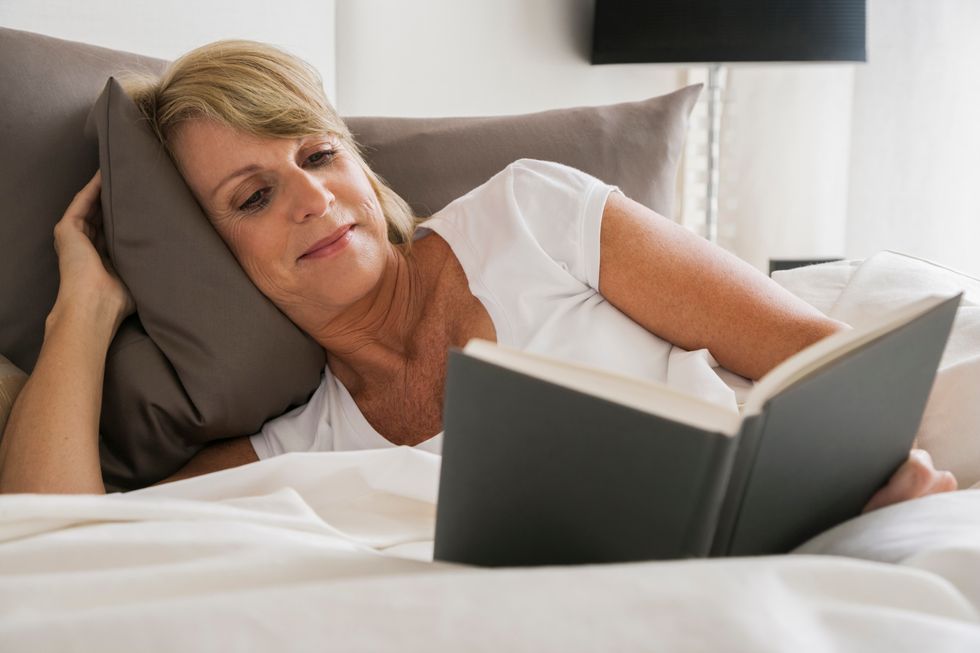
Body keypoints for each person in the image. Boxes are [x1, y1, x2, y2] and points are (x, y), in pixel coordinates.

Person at [0, 41, 957, 510]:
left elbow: (828, 363)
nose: (312, 197)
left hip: (790, 500)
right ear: (213, 258)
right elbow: (59, 544)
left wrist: (852, 480)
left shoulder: (532, 215)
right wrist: (80, 312)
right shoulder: (297, 448)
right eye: (252, 197)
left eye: (318, 155)